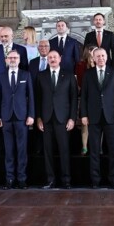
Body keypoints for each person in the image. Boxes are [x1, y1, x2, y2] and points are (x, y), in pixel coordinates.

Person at [80, 47, 114, 189]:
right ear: (93, 58)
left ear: (107, 57)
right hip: (93, 117)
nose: (101, 58)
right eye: (97, 56)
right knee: (94, 150)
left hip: (111, 116)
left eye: (103, 55)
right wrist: (84, 115)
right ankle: (95, 180)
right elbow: (84, 96)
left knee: (113, 149)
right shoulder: (88, 74)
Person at [35, 50, 78, 189]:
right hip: (46, 119)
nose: (52, 59)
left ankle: (66, 180)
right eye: (50, 57)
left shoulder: (69, 76)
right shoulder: (41, 76)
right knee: (48, 151)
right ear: (47, 60)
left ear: (60, 59)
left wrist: (72, 118)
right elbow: (38, 99)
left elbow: (74, 99)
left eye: (55, 57)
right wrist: (39, 118)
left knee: (64, 150)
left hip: (63, 119)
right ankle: (50, 180)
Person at [0, 50, 35, 189]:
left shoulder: (26, 74)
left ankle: (22, 178)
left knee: (22, 150)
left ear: (19, 60)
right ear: (6, 60)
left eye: (15, 57)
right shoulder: (1, 76)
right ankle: (10, 179)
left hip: (22, 118)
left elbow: (31, 97)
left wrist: (31, 115)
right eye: (10, 57)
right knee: (9, 150)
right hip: (6, 117)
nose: (12, 59)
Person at [75, 45, 97, 155]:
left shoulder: (100, 64)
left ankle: (98, 147)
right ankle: (84, 146)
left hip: (97, 98)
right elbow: (80, 81)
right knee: (85, 123)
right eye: (94, 51)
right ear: (88, 53)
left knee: (98, 124)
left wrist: (94, 64)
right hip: (86, 97)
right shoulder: (81, 65)